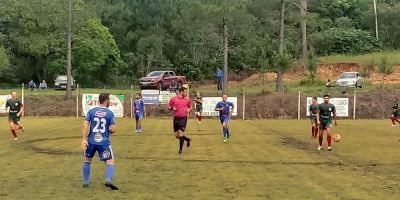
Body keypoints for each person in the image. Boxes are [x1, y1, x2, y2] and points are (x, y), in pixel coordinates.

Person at [81, 93, 119, 190]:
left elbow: (85, 125)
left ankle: (85, 182)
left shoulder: (92, 111)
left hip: (91, 141)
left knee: (87, 160)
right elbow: (113, 129)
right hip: (104, 142)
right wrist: (108, 131)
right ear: (106, 101)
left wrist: (84, 140)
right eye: (109, 100)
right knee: (110, 162)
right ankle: (108, 180)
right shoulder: (110, 114)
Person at [168, 87, 192, 154]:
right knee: (177, 136)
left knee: (181, 133)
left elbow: (190, 106)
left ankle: (180, 150)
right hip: (176, 118)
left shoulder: (187, 100)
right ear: (181, 92)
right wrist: (172, 108)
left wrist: (189, 110)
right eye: (185, 92)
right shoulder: (174, 99)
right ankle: (188, 139)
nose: (186, 93)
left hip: (183, 118)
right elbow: (169, 106)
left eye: (186, 92)